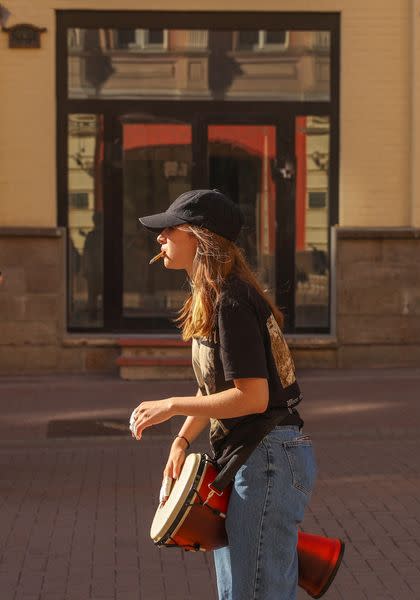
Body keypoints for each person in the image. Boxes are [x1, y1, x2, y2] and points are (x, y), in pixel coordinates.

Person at [129, 189, 316, 599]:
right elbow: (214, 387)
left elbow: (252, 397)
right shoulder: (217, 297)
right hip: (254, 457)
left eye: (168, 230)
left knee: (252, 593)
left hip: (267, 459)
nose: (159, 238)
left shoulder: (232, 300)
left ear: (199, 236)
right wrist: (181, 439)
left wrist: (172, 406)